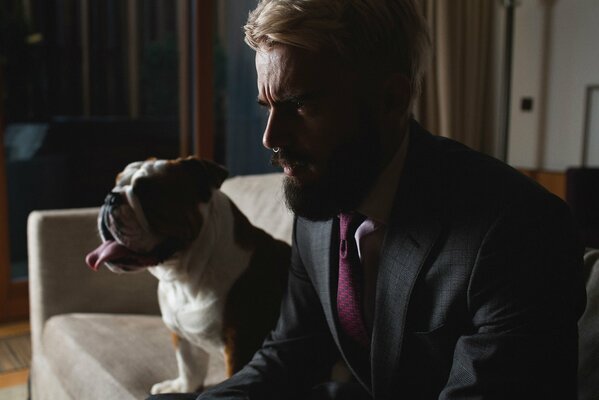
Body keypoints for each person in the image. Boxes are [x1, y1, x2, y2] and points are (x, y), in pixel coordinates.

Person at [149, 0, 586, 398]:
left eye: (299, 104)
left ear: (391, 99)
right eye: (268, 107)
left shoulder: (519, 229)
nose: (271, 138)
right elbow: (289, 354)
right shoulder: (318, 207)